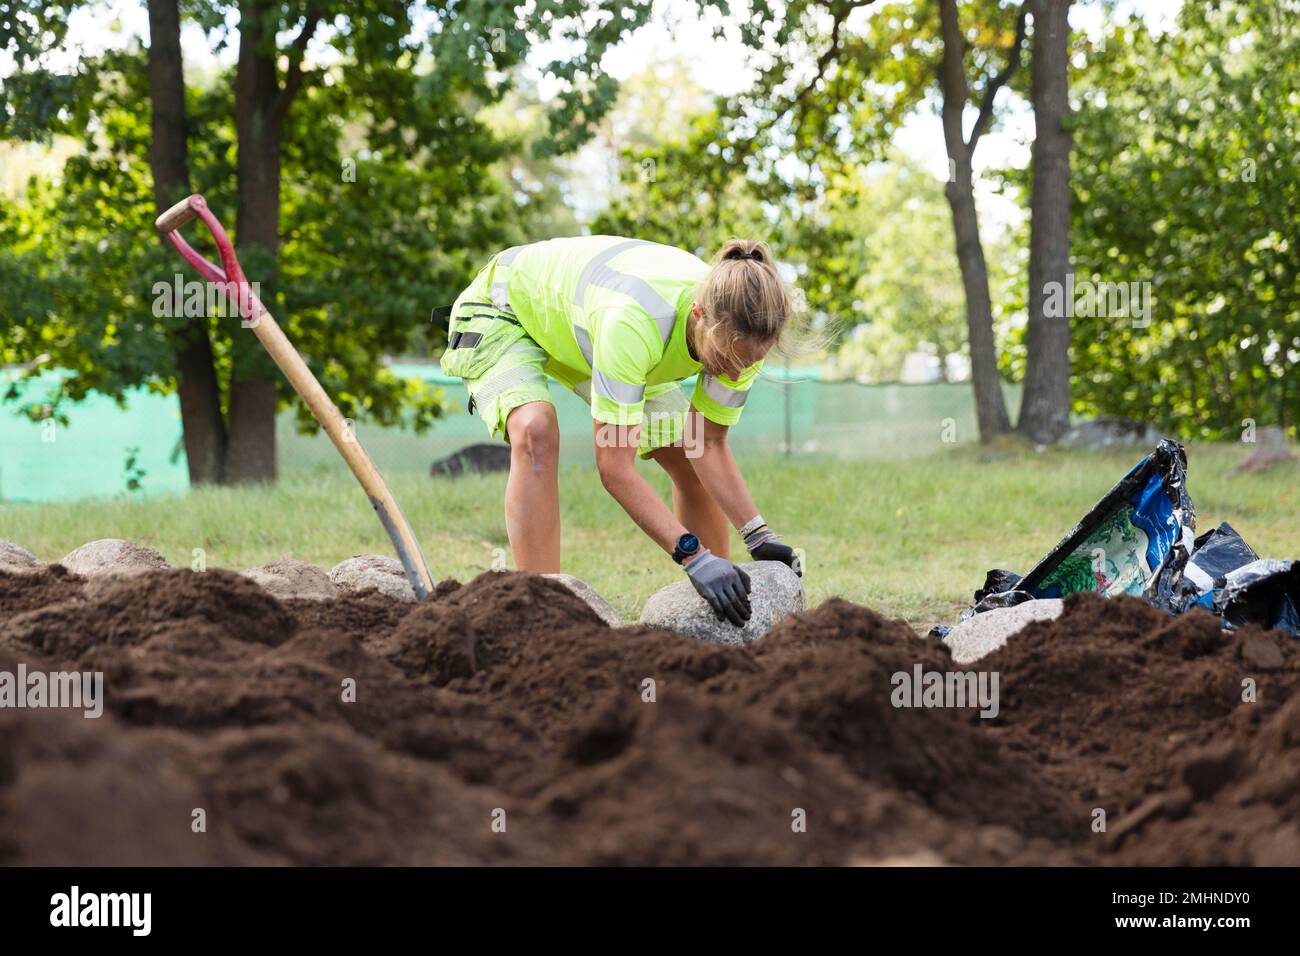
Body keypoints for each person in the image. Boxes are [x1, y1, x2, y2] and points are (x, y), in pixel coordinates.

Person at [439, 235, 802, 626]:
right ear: (698, 315)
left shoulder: (747, 332)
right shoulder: (636, 322)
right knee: (535, 431)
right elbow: (615, 468)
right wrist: (691, 555)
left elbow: (707, 443)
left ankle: (722, 614)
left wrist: (758, 535)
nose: (734, 374)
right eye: (727, 359)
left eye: (748, 363)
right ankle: (541, 614)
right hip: (503, 309)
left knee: (686, 451)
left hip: (589, 332)